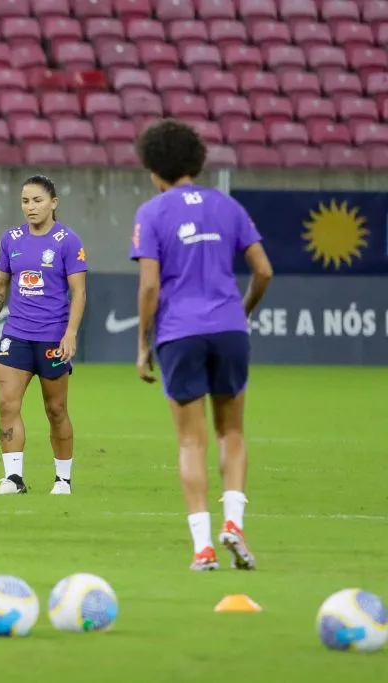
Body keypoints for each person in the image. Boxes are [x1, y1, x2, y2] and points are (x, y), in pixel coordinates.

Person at [130, 119, 273, 571]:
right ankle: (235, 524)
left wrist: (143, 342)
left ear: (154, 168)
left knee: (191, 442)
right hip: (229, 328)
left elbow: (149, 285)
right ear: (195, 161)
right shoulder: (227, 205)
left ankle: (203, 548)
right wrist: (242, 310)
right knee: (232, 431)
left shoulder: (152, 212)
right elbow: (264, 270)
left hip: (179, 331)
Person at [0, 176, 88, 497]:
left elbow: (79, 292)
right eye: (25, 201)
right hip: (16, 334)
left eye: (37, 200)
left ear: (53, 203)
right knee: (6, 404)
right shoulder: (11, 239)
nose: (31, 207)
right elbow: (0, 285)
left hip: (52, 337)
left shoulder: (68, 241)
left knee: (56, 410)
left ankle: (63, 480)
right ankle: (13, 479)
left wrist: (70, 333)